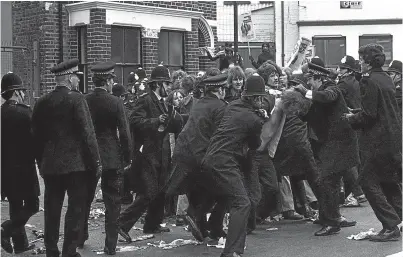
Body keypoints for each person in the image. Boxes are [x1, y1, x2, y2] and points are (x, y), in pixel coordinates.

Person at [32, 59, 102, 257]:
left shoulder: (42, 102)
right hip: (76, 166)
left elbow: (35, 136)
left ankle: (51, 251)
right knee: (75, 210)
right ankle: (69, 252)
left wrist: (40, 161)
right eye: (77, 78)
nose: (78, 81)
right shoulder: (77, 100)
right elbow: (88, 134)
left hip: (51, 165)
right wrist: (95, 162)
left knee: (52, 210)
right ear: (70, 79)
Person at [201, 73, 266, 257]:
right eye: (261, 98)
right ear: (257, 98)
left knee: (226, 198)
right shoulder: (254, 119)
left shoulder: (233, 105)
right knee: (242, 203)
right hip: (225, 161)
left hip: (211, 158)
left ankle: (213, 229)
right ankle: (232, 252)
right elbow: (256, 144)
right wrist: (261, 119)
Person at [343, 44, 402, 242]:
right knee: (388, 181)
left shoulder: (368, 81)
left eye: (361, 60)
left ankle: (390, 225)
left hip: (377, 140)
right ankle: (399, 218)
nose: (359, 63)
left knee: (367, 182)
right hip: (393, 137)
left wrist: (351, 118)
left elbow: (369, 115)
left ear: (368, 62)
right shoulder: (385, 78)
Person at [118, 64, 183, 240]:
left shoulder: (163, 102)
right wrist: (155, 121)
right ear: (157, 84)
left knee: (160, 189)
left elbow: (170, 124)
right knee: (148, 192)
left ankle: (152, 224)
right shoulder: (145, 100)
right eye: (167, 84)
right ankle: (122, 224)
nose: (169, 88)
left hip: (161, 152)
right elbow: (134, 121)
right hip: (146, 153)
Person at [295, 57, 359, 236]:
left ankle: (332, 222)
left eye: (310, 80)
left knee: (327, 181)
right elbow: (313, 115)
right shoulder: (322, 90)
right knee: (326, 181)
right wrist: (297, 110)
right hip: (332, 143)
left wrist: (305, 92)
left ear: (319, 78)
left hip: (339, 143)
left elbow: (326, 98)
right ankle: (329, 217)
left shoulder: (332, 88)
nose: (308, 83)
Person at [165, 73, 229, 241]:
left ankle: (202, 228)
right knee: (224, 190)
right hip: (201, 155)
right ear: (220, 90)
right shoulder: (220, 107)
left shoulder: (199, 104)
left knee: (198, 190)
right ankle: (201, 219)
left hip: (184, 152)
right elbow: (219, 135)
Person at [79, 61, 132, 254]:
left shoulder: (84, 100)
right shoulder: (115, 102)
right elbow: (124, 133)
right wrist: (128, 157)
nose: (112, 83)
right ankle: (110, 245)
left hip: (90, 157)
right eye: (112, 80)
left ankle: (81, 235)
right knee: (113, 203)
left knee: (85, 199)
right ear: (108, 81)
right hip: (112, 157)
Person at [1, 72, 40, 254]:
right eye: (22, 91)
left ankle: (20, 244)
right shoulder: (25, 113)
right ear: (16, 93)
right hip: (25, 167)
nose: (24, 94)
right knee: (32, 204)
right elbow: (35, 141)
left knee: (15, 204)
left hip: (5, 168)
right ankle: (6, 229)